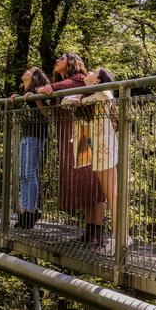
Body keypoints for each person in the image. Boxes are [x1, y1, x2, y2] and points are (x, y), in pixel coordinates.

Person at [35, 52, 105, 246]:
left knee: (93, 183)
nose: (57, 61)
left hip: (84, 134)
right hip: (69, 137)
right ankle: (89, 230)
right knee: (83, 184)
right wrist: (40, 97)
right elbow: (50, 113)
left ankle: (97, 234)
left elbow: (64, 86)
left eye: (62, 58)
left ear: (73, 62)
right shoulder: (62, 85)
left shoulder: (78, 80)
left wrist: (45, 88)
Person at [79, 68, 132, 252]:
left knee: (113, 194)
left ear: (98, 80)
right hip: (99, 148)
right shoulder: (93, 93)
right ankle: (122, 237)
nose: (90, 71)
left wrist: (80, 100)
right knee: (110, 194)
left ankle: (121, 239)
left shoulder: (103, 91)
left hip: (106, 147)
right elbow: (65, 101)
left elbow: (102, 98)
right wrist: (79, 99)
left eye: (94, 71)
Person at [10, 67, 51, 229]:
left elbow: (47, 113)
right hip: (26, 134)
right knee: (22, 174)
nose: (25, 71)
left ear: (34, 76)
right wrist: (17, 98)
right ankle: (24, 210)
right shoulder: (24, 92)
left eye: (29, 70)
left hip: (37, 134)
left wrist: (36, 98)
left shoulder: (37, 92)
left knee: (29, 172)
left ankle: (31, 211)